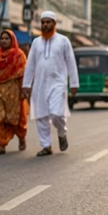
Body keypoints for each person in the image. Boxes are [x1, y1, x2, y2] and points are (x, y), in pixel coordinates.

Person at [22, 11, 79, 157]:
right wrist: (26, 84)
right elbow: (30, 65)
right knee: (41, 116)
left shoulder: (63, 41)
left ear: (54, 24)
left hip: (57, 83)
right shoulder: (36, 42)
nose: (45, 25)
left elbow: (71, 63)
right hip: (40, 84)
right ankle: (46, 146)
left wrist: (74, 83)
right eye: (43, 22)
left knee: (56, 114)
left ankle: (61, 132)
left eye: (48, 22)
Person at [0, 31, 28, 155]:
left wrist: (24, 90)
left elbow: (23, 75)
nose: (3, 41)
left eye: (6, 38)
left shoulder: (19, 55)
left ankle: (21, 137)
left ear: (12, 40)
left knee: (15, 119)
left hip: (14, 90)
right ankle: (1, 145)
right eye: (2, 38)